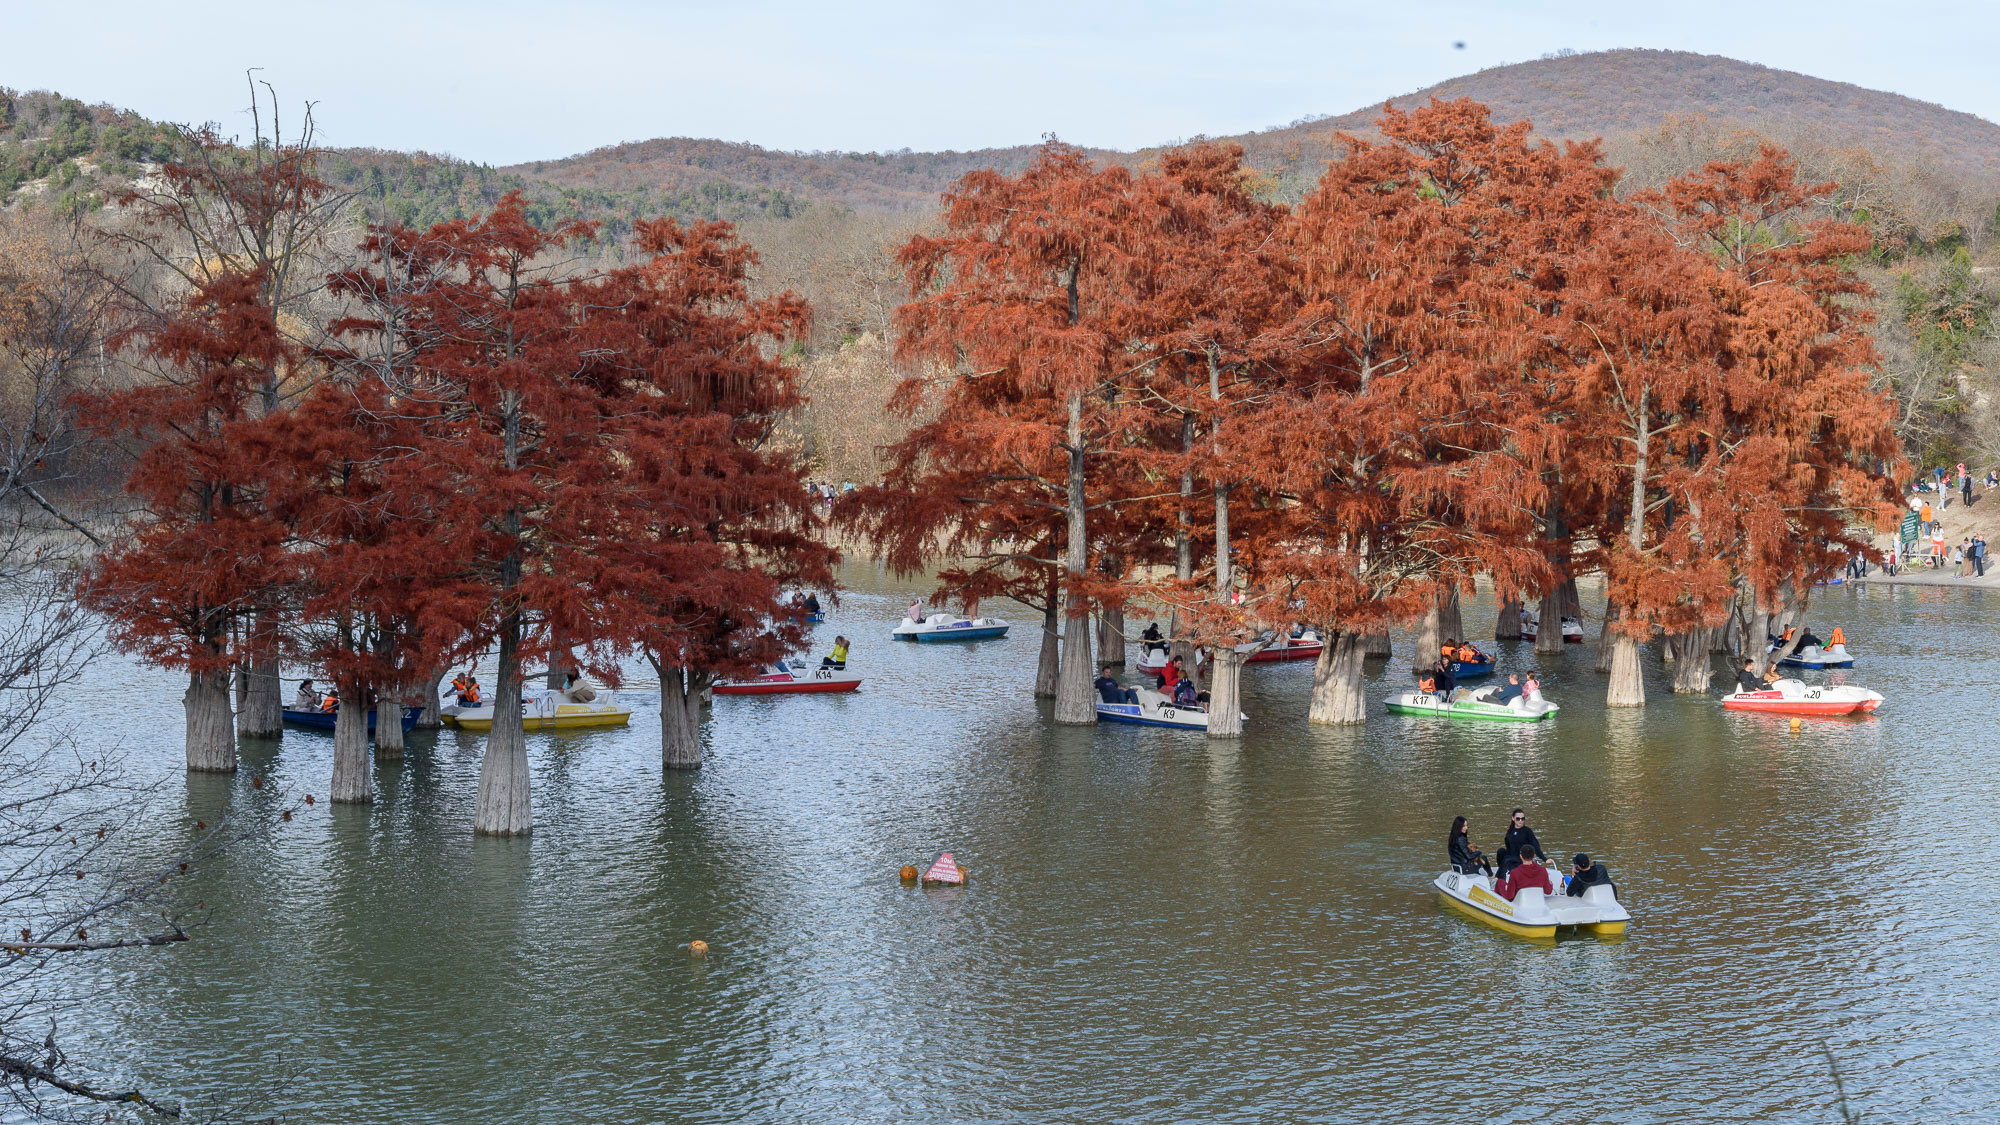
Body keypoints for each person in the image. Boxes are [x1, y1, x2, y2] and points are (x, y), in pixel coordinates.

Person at [1497, 808, 1542, 878]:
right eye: (1518, 819)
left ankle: (1499, 878)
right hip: (1512, 855)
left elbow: (1536, 845)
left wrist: (1544, 858)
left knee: (1507, 859)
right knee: (1501, 851)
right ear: (1513, 818)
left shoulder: (1527, 831)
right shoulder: (1511, 831)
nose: (1520, 821)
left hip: (1522, 857)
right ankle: (1503, 872)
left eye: (1522, 819)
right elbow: (1508, 846)